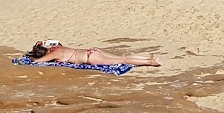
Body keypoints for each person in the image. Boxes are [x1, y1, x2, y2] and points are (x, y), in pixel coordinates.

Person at [27, 41, 159, 67]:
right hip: (91, 51)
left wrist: (32, 57)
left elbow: (37, 62)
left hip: (89, 58)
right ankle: (148, 58)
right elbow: (53, 42)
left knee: (122, 60)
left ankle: (150, 62)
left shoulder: (54, 54)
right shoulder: (57, 47)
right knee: (121, 58)